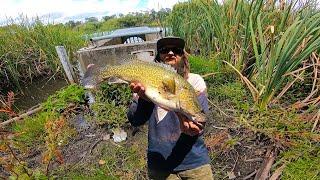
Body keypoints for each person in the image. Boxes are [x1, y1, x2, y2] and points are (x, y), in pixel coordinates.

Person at [127, 37, 213, 180]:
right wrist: (143, 98)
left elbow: (201, 116)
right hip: (160, 164)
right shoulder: (145, 81)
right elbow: (135, 120)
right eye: (164, 50)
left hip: (195, 162)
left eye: (177, 50)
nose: (171, 53)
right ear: (158, 57)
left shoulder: (194, 81)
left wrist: (195, 127)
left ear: (183, 56)